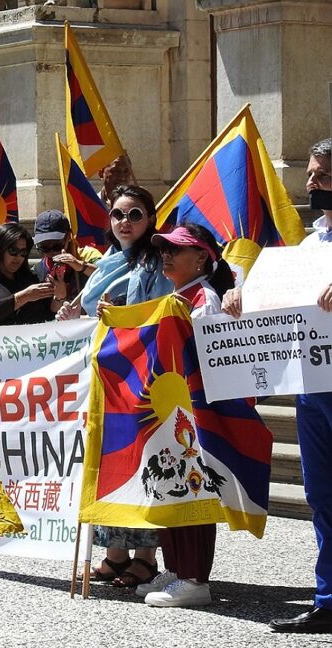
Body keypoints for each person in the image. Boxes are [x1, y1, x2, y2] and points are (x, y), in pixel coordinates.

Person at [224, 138, 332, 632]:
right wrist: (242, 295)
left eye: (322, 176)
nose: (311, 183)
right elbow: (278, 301)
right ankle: (329, 599)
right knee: (321, 495)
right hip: (314, 388)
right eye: (310, 175)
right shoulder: (310, 246)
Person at [62, 185, 174, 587]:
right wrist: (73, 313)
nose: (125, 223)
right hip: (104, 378)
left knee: (139, 462)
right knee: (106, 460)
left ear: (150, 219)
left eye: (135, 215)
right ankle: (114, 554)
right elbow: (95, 313)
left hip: (139, 377)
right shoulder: (108, 261)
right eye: (117, 215)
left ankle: (145, 555)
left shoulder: (157, 264)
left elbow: (162, 315)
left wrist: (121, 316)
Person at [128, 222, 235, 607]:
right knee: (171, 481)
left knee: (192, 483)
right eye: (165, 249)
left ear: (202, 257)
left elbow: (207, 354)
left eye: (177, 249)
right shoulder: (178, 295)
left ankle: (194, 577)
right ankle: (176, 566)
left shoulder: (203, 299)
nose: (167, 255)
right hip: (171, 409)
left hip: (192, 410)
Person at [0, 222, 54, 326]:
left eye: (23, 253)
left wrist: (60, 297)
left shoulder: (30, 279)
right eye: (13, 251)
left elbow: (47, 315)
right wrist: (22, 298)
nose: (18, 257)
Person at [32, 209, 102, 320]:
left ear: (68, 237)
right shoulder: (39, 270)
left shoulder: (88, 256)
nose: (51, 252)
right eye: (44, 247)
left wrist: (80, 266)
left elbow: (105, 275)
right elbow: (50, 314)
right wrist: (60, 298)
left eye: (56, 246)